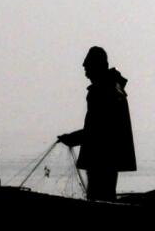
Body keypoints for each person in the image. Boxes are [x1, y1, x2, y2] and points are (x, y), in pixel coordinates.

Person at [57, 46, 136, 201]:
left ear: (97, 65)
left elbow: (98, 129)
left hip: (101, 157)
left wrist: (72, 138)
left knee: (98, 197)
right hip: (110, 157)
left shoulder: (103, 90)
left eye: (88, 62)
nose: (84, 65)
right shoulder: (112, 87)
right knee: (106, 196)